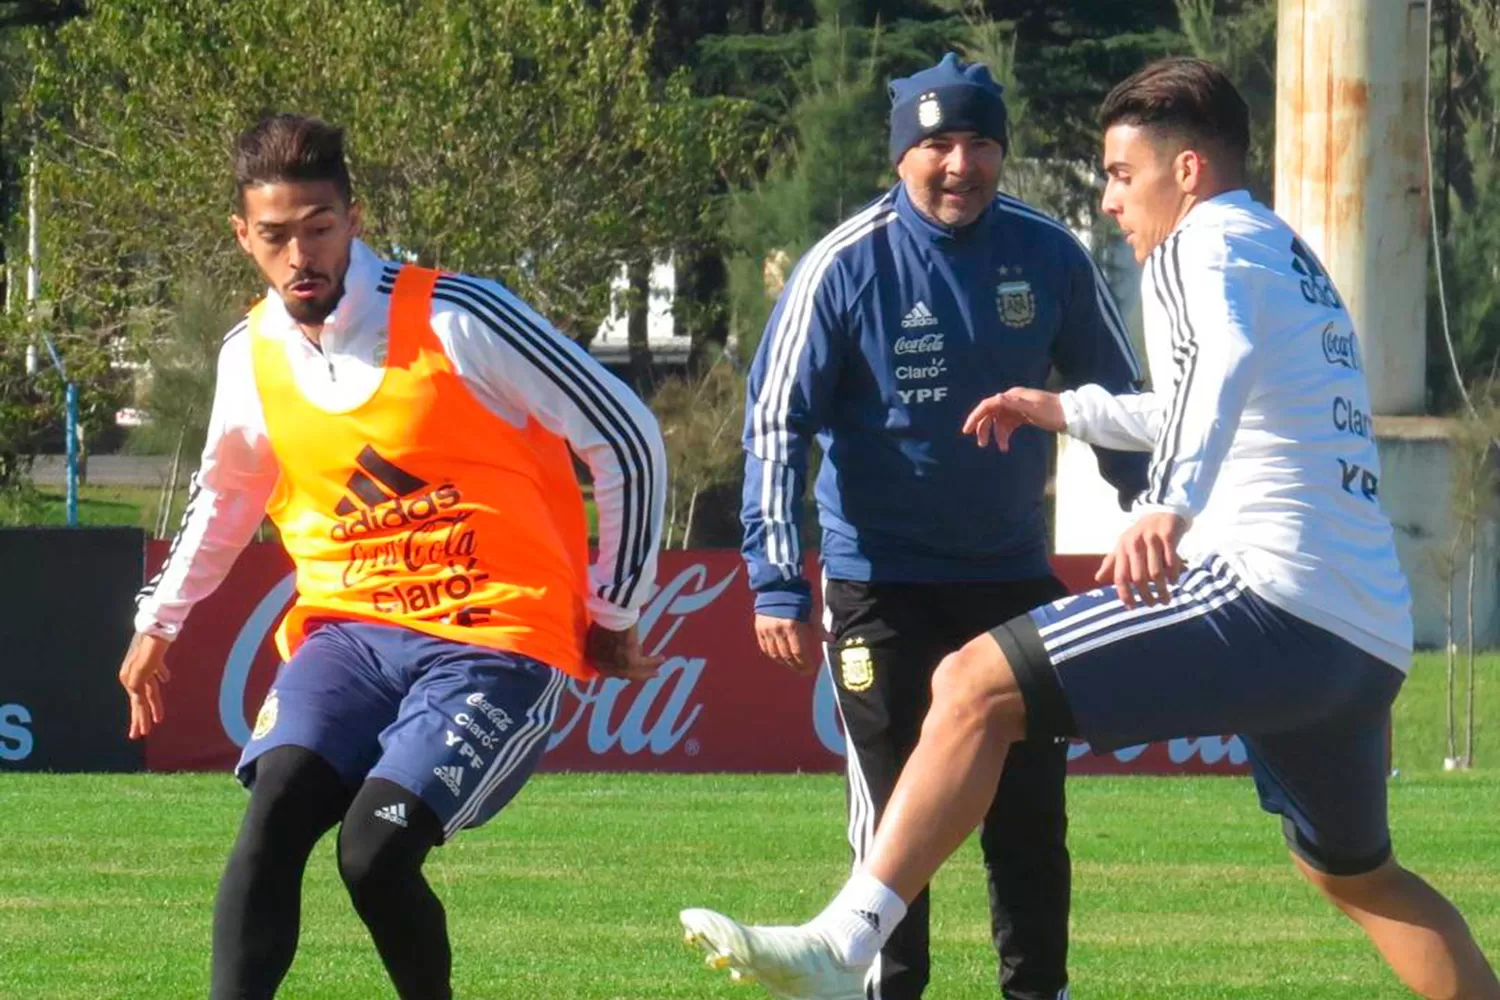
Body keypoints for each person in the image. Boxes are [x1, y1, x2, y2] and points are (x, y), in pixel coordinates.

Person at [681, 57, 1500, 1000]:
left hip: (1271, 598)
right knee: (1357, 874)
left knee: (972, 683)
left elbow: (1218, 368)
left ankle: (844, 946)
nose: (1110, 202)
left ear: (1186, 170)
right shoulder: (1285, 252)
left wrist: (1167, 504)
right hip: (1364, 637)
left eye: (1120, 174)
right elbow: (1220, 397)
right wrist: (1066, 410)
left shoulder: (1203, 246)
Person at [118, 113, 667, 1000]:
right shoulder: (250, 354)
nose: (300, 255)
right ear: (242, 237)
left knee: (372, 853)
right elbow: (225, 498)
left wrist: (613, 608)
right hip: (352, 637)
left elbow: (627, 435)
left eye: (320, 228)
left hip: (493, 641)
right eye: (275, 236)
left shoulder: (459, 317)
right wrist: (160, 620)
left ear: (354, 217)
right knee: (272, 817)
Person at [738, 53, 1147, 1000]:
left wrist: (1156, 511)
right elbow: (774, 422)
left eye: (978, 143)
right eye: (935, 145)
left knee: (1030, 819)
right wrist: (774, 578)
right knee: (894, 825)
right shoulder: (843, 266)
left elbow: (1120, 403)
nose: (959, 164)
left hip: (1011, 583)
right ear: (900, 157)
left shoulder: (1050, 255)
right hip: (880, 585)